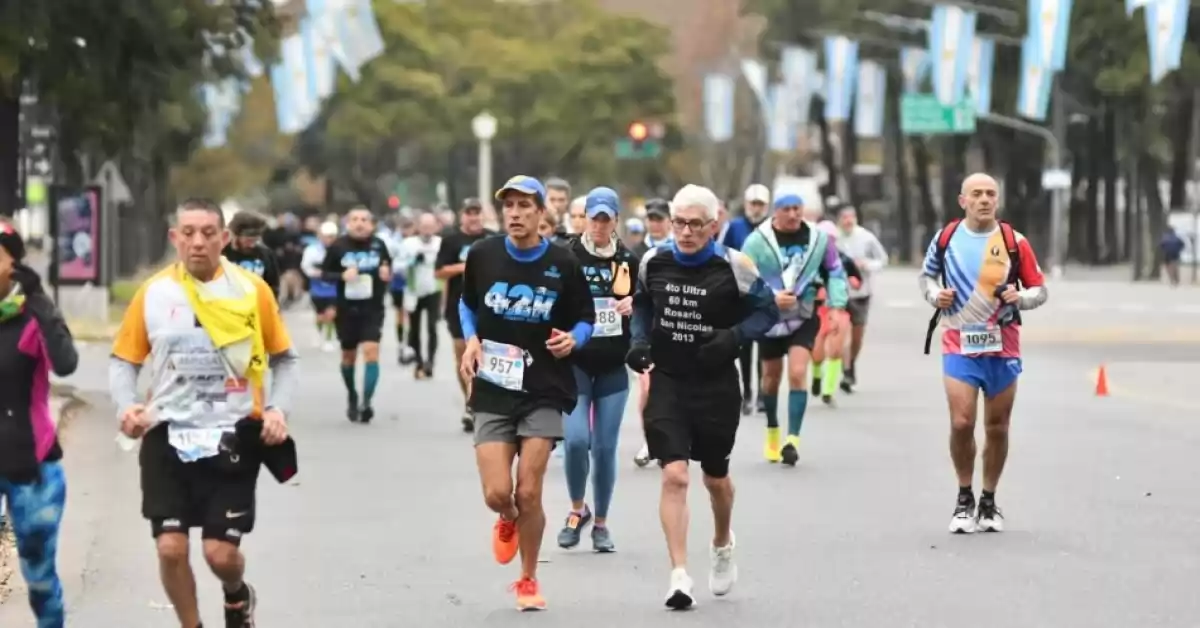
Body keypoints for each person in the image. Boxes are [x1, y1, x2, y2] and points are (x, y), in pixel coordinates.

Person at [109, 198, 298, 628]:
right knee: (171, 548)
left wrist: (277, 410)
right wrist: (126, 406)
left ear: (224, 239)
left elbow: (285, 359)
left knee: (220, 553)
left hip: (232, 434)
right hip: (168, 433)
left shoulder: (252, 291)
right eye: (188, 233)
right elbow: (124, 361)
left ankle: (237, 593)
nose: (198, 242)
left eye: (208, 233)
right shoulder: (154, 293)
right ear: (174, 238)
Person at [628, 184, 777, 609]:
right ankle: (678, 575)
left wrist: (732, 338)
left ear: (714, 226)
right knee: (674, 474)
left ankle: (722, 541)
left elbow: (766, 311)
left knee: (715, 479)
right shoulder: (654, 261)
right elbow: (641, 304)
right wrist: (639, 341)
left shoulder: (734, 265)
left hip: (716, 386)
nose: (686, 232)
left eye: (696, 224)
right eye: (679, 222)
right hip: (669, 381)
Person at [458, 175, 595, 611]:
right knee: (499, 493)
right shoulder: (482, 255)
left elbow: (586, 318)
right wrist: (472, 339)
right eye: (509, 206)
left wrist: (574, 339)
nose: (515, 214)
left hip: (543, 387)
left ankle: (528, 578)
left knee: (530, 490)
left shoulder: (563, 263)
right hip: (494, 388)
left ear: (541, 214)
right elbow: (467, 304)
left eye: (524, 206)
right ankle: (507, 518)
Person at [920, 173, 1048, 534]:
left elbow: (1039, 290)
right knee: (962, 422)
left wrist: (1019, 297)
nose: (984, 199)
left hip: (1003, 344)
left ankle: (989, 499)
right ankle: (964, 497)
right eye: (976, 193)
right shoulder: (946, 238)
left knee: (997, 426)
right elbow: (926, 278)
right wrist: (935, 296)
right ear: (963, 200)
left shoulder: (1013, 241)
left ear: (997, 200)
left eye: (990, 193)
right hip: (958, 340)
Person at [0, 219, 77, 628]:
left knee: (40, 579)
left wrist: (42, 302)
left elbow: (66, 363)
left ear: (13, 263)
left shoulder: (31, 316)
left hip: (33, 466)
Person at [555, 187, 639, 553]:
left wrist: (633, 306)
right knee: (575, 441)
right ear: (584, 218)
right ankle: (578, 510)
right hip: (574, 363)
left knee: (604, 448)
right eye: (595, 218)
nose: (600, 225)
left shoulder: (627, 259)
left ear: (616, 220)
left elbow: (643, 305)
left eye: (607, 218)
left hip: (612, 366)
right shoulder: (566, 255)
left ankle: (601, 523)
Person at [741, 194, 847, 464]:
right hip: (771, 317)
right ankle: (774, 429)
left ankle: (792, 440)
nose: (793, 214)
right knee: (771, 378)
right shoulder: (756, 242)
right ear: (775, 212)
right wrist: (770, 298)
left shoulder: (819, 240)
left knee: (798, 371)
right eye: (786, 209)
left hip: (804, 313)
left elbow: (835, 270)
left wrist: (836, 307)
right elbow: (742, 279)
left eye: (797, 209)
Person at [321, 207, 393, 423]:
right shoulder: (338, 246)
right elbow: (324, 275)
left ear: (371, 224)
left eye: (364, 220)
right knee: (348, 357)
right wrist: (341, 275)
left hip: (372, 308)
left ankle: (366, 402)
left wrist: (385, 272)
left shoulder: (379, 245)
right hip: (346, 309)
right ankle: (352, 395)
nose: (360, 223)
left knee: (371, 351)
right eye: (354, 220)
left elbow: (388, 266)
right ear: (348, 223)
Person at [435, 198, 496, 432]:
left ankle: (481, 401)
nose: (474, 217)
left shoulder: (493, 238)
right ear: (462, 216)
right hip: (458, 305)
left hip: (490, 305)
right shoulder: (451, 241)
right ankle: (470, 401)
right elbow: (439, 272)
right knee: (463, 353)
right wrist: (463, 267)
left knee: (486, 355)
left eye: (478, 213)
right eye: (469, 213)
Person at [631, 198, 674, 468]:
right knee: (647, 388)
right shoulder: (635, 251)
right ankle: (650, 440)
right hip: (646, 331)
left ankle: (668, 439)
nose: (656, 223)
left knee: (669, 387)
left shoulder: (678, 249)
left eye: (660, 219)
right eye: (652, 219)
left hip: (673, 329)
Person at [835, 206, 888, 390]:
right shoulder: (833, 238)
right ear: (839, 220)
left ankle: (850, 365)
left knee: (856, 336)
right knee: (841, 334)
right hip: (839, 294)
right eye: (844, 217)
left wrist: (867, 264)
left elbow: (883, 260)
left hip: (861, 294)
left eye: (852, 217)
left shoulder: (866, 237)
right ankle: (846, 370)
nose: (848, 221)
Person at [396, 212, 443, 379]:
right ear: (418, 227)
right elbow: (397, 267)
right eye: (424, 227)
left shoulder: (440, 243)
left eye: (430, 227)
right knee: (414, 329)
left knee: (432, 327)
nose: (427, 230)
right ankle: (419, 362)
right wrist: (412, 262)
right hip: (413, 291)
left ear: (436, 227)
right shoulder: (409, 244)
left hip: (434, 290)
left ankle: (430, 362)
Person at [300, 222, 341, 351]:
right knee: (320, 315)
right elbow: (305, 266)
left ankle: (328, 340)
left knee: (331, 314)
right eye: (326, 236)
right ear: (320, 236)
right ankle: (318, 333)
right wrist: (315, 273)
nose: (329, 239)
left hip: (334, 287)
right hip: (318, 288)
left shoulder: (340, 250)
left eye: (332, 236)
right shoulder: (312, 250)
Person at [222, 211, 282, 298]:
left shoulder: (265, 254)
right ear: (235, 236)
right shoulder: (222, 254)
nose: (252, 245)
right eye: (248, 241)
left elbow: (273, 285)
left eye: (255, 240)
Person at [387, 216, 417, 366]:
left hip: (413, 285)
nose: (407, 230)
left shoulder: (417, 241)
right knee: (400, 314)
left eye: (409, 227)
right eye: (404, 227)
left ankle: (411, 344)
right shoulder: (394, 243)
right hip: (398, 284)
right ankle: (400, 342)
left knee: (411, 314)